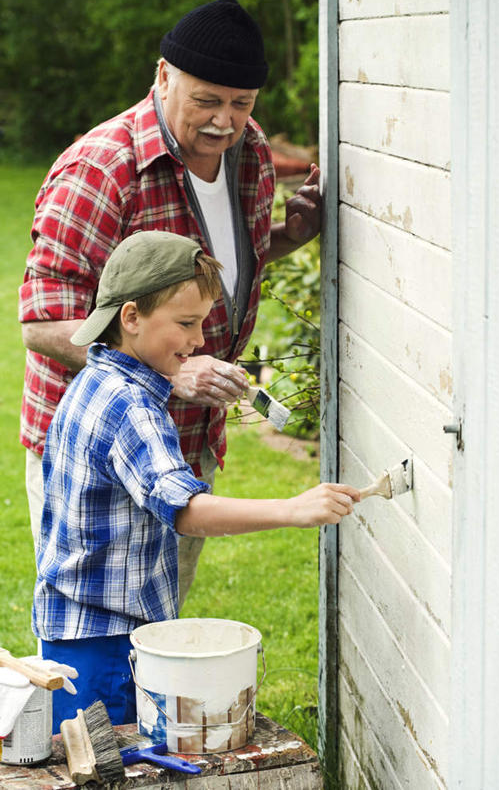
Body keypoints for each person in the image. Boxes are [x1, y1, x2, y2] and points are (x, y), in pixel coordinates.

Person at [19, 0, 321, 605]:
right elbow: (45, 324)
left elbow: (210, 273)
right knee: (93, 627)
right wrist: (175, 370)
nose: (224, 121)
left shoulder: (250, 151)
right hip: (94, 454)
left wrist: (283, 238)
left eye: (241, 103)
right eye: (206, 100)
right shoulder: (102, 171)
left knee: (163, 621)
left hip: (186, 438)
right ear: (163, 76)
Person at [33, 230, 359, 732]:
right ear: (132, 317)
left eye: (202, 322)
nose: (200, 340)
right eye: (186, 323)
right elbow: (186, 511)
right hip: (107, 644)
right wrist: (294, 509)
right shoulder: (132, 408)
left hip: (72, 630)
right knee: (111, 769)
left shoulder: (94, 379)